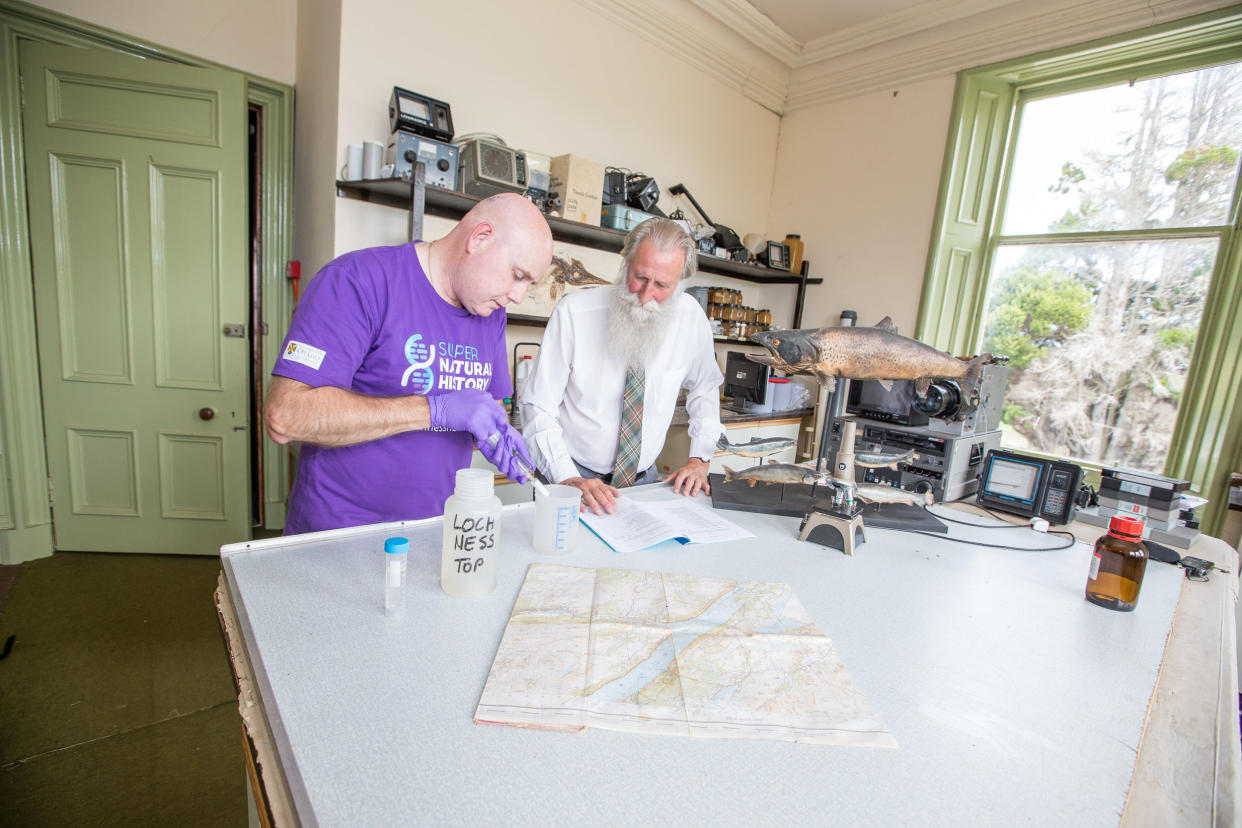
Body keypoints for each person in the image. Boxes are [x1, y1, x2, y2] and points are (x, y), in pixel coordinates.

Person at [265, 193, 552, 534]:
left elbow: (484, 407)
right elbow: (286, 416)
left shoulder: (490, 311)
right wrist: (433, 410)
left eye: (529, 284)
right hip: (340, 534)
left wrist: (494, 434)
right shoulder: (357, 281)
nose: (518, 295)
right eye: (517, 275)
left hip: (433, 532)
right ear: (480, 238)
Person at [520, 217, 724, 515]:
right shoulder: (575, 313)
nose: (645, 296)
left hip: (644, 483)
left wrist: (700, 459)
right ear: (625, 262)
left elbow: (705, 386)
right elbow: (538, 406)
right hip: (572, 478)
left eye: (661, 285)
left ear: (680, 281)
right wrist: (568, 477)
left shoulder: (691, 319)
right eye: (639, 277)